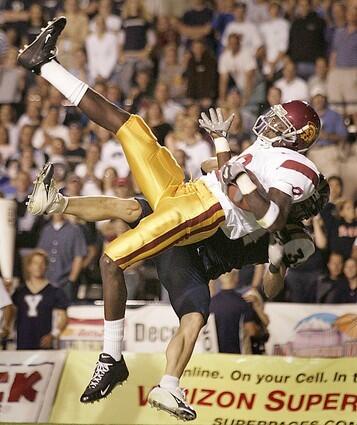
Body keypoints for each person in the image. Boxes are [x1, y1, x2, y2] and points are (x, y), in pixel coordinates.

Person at [18, 17, 325, 418]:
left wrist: (274, 245)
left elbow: (265, 219)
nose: (274, 120)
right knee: (132, 127)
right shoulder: (271, 155)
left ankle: (116, 360)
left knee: (116, 260)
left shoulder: (297, 176)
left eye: (285, 122)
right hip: (190, 196)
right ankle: (45, 65)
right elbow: (233, 181)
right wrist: (222, 148)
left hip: (201, 218)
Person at [11, 250, 68, 349]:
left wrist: (53, 335)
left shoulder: (55, 292)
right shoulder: (19, 292)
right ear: (28, 266)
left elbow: (62, 317)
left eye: (42, 263)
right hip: (22, 345)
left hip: (45, 344)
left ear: (46, 266)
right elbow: (11, 316)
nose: (38, 266)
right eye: (35, 263)